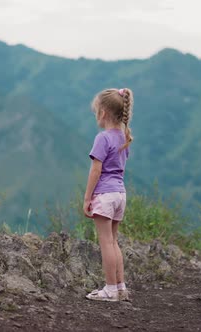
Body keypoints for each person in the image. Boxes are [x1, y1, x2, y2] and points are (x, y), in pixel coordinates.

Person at [83, 87, 133, 302]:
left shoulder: (102, 138)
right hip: (120, 194)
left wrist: (87, 198)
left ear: (102, 113)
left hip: (104, 195)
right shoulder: (124, 137)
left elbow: (96, 170)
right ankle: (120, 287)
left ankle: (110, 290)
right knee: (113, 241)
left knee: (105, 243)